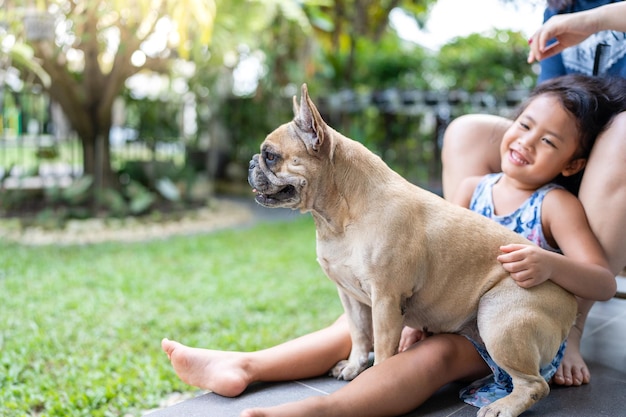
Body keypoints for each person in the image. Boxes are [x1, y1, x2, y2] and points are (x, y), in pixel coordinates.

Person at [162, 74, 621, 417]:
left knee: (432, 357)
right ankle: (247, 366)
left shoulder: (555, 204)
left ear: (572, 163)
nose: (525, 142)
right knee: (350, 326)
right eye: (523, 125)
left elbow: (602, 282)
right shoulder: (474, 188)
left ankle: (332, 409)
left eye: (548, 142)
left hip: (506, 313)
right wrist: (409, 319)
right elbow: (423, 264)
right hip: (448, 308)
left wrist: (546, 264)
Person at [441, 0, 626, 388]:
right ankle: (457, 291)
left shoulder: (576, 15)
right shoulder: (560, 5)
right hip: (568, 149)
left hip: (617, 161)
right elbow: (552, 101)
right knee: (466, 131)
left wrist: (588, 22)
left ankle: (566, 327)